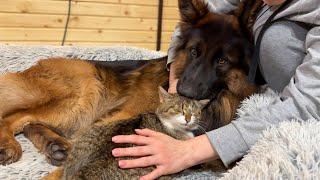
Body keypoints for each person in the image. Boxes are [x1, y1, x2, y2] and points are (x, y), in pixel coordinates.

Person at [111, 0, 320, 179]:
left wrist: (189, 151)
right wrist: (175, 78)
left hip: (293, 113)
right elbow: (195, 19)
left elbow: (307, 104)